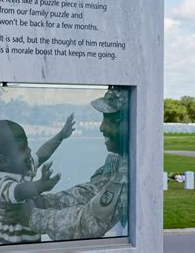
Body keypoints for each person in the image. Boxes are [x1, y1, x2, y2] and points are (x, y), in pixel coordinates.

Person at [17, 86, 129, 241]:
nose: (102, 127)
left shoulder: (130, 169)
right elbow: (92, 192)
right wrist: (42, 202)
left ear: (128, 123)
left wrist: (33, 216)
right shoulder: (120, 159)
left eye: (111, 120)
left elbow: (90, 222)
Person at [0, 114, 75, 244]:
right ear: (3, 161)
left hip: (32, 242)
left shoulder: (25, 167)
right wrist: (40, 185)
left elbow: (42, 153)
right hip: (9, 247)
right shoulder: (1, 181)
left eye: (27, 145)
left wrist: (60, 136)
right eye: (22, 148)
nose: (29, 151)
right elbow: (18, 191)